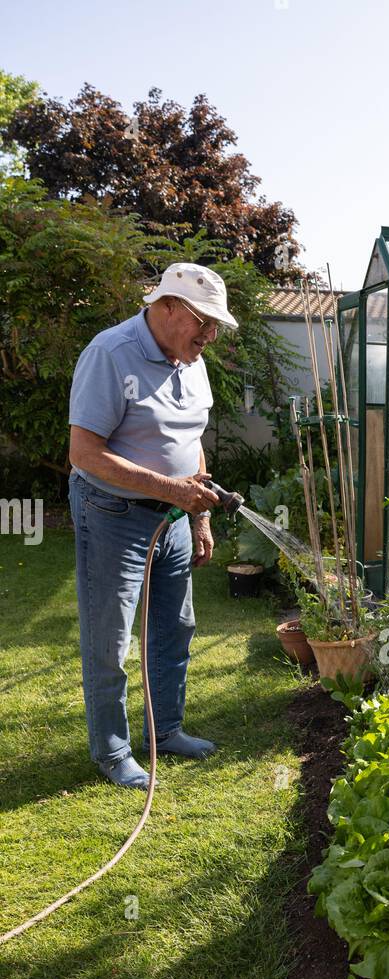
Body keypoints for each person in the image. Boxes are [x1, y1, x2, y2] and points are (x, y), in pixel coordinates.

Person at [68, 262, 238, 790]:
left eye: (215, 326)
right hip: (112, 514)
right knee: (110, 639)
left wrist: (200, 513)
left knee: (175, 627)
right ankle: (113, 751)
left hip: (175, 518)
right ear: (167, 308)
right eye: (203, 323)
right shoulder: (110, 353)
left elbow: (191, 446)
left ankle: (164, 731)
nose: (210, 336)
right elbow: (85, 453)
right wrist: (173, 492)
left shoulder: (192, 361)